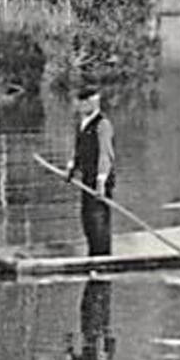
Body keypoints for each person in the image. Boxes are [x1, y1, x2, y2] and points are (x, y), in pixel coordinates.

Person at [64, 85, 115, 256]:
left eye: (83, 103)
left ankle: (102, 257)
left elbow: (105, 155)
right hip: (87, 178)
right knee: (87, 219)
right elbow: (78, 149)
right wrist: (71, 168)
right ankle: (93, 254)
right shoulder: (82, 125)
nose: (79, 106)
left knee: (98, 220)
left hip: (100, 181)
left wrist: (101, 182)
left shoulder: (103, 124)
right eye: (79, 103)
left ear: (92, 103)